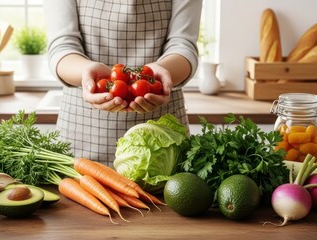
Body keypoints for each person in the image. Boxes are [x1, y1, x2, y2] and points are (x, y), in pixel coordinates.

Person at [44, 0, 202, 167]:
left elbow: (184, 45)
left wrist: (162, 71)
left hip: (163, 142)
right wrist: (86, 72)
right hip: (81, 137)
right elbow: (61, 46)